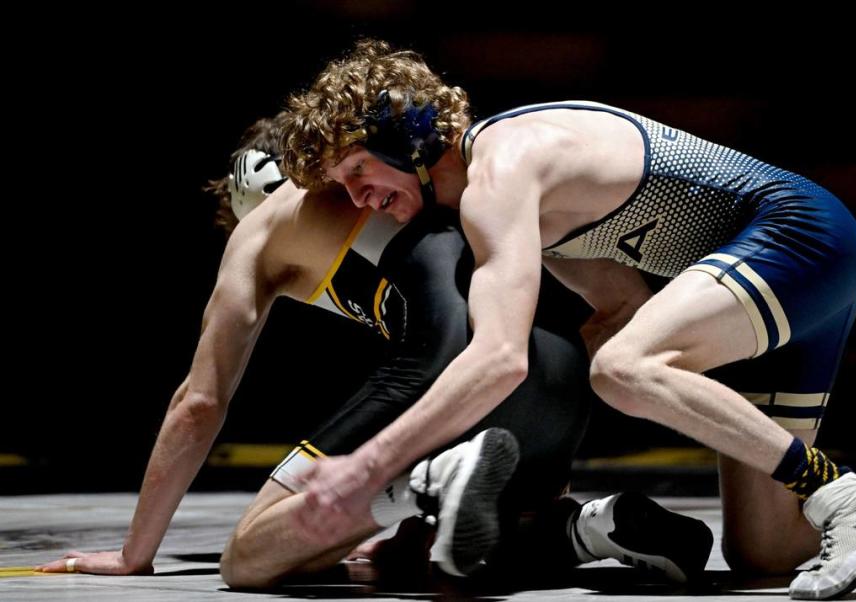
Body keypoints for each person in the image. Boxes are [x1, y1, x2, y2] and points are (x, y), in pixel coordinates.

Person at [281, 40, 856, 600]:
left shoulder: (502, 171)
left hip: (801, 239)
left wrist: (366, 465)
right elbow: (621, 309)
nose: (359, 200)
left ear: (408, 136)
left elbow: (501, 359)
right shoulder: (523, 192)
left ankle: (840, 495)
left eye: (356, 171)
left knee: (625, 368)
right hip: (793, 271)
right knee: (766, 547)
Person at [36, 114, 715, 588]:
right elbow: (613, 300)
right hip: (556, 370)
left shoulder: (265, 225)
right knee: (422, 555)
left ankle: (420, 484)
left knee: (249, 559)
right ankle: (590, 528)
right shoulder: (441, 179)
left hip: (454, 363)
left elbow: (200, 402)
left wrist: (135, 553)